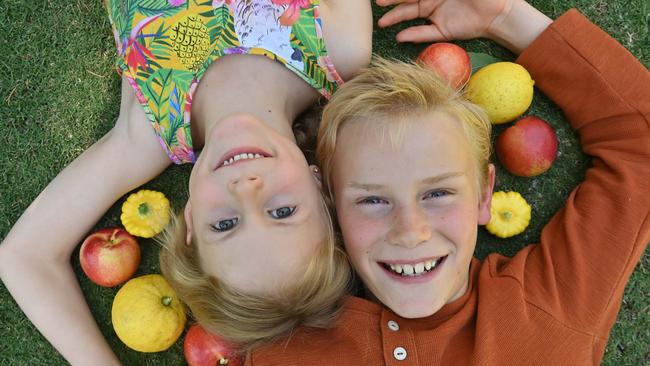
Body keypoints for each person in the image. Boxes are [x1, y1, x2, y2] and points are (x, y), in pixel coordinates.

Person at [245, 0, 650, 364]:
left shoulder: (549, 309)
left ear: (483, 194)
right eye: (371, 200)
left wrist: (505, 17)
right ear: (329, 204)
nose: (410, 233)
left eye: (438, 193)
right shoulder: (278, 336)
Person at [0, 0, 371, 363]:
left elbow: (23, 256)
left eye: (225, 224)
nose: (246, 188)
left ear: (191, 220)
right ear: (322, 189)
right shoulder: (339, 48)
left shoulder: (147, 135)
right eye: (282, 211)